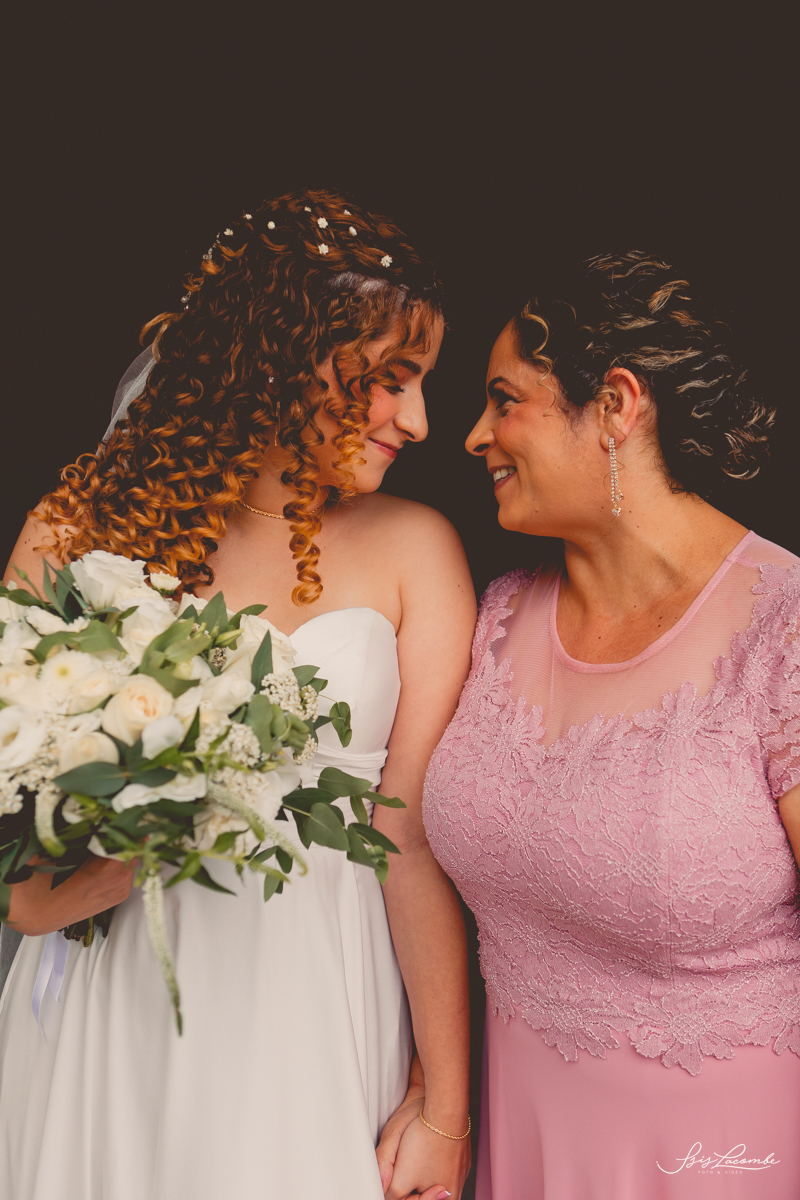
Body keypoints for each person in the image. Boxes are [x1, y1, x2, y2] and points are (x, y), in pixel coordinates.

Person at [0, 189, 475, 1200]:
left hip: (318, 998)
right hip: (122, 992)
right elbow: (16, 814)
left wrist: (444, 1105)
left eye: (421, 385)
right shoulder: (79, 530)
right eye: (389, 381)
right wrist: (59, 892)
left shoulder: (417, 550)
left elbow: (408, 838)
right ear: (286, 356)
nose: (418, 421)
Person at [423, 252, 800, 1199]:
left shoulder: (785, 628)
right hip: (526, 1140)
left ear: (617, 405)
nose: (474, 436)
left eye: (505, 400)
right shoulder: (497, 615)